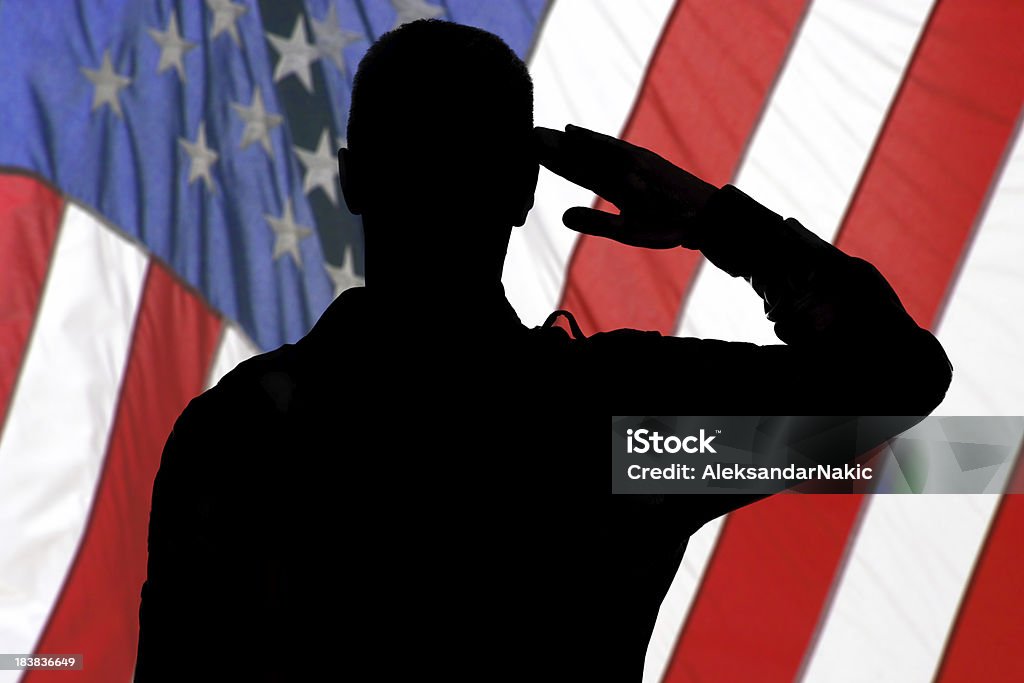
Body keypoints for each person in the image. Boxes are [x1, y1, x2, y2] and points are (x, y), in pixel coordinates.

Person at [136, 19, 951, 682]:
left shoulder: (239, 434)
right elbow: (895, 375)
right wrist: (715, 223)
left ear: (352, 181)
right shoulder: (622, 432)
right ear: (524, 192)